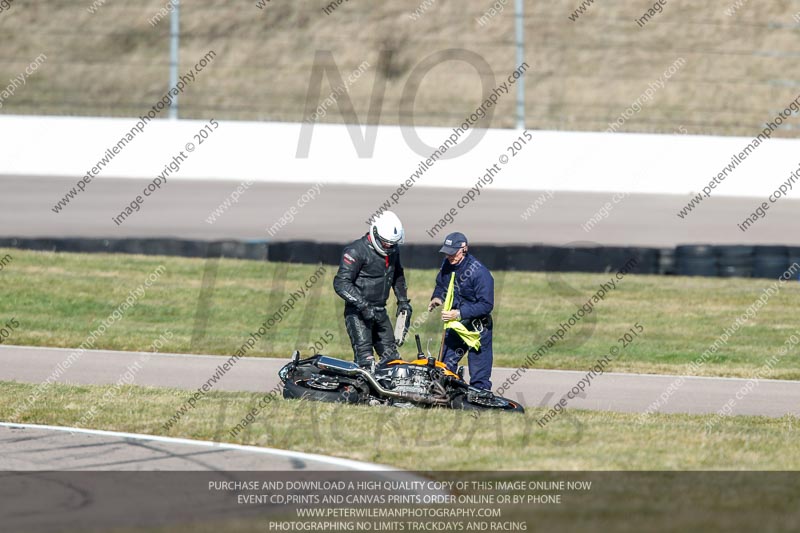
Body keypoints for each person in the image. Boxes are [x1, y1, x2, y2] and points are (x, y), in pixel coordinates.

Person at [333, 211, 412, 368]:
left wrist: (403, 301)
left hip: (380, 311)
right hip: (358, 313)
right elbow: (341, 283)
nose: (389, 246)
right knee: (366, 362)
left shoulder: (393, 250)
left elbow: (397, 274)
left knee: (393, 360)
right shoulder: (355, 251)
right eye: (386, 243)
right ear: (375, 233)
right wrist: (363, 306)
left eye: (393, 243)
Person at [428, 232, 494, 390]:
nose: (449, 256)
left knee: (479, 375)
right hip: (456, 325)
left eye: (453, 253)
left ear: (464, 249)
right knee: (445, 368)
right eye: (447, 252)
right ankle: (447, 394)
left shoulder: (479, 273)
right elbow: (441, 284)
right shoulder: (447, 264)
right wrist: (437, 297)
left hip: (477, 328)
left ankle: (479, 397)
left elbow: (486, 305)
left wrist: (459, 313)